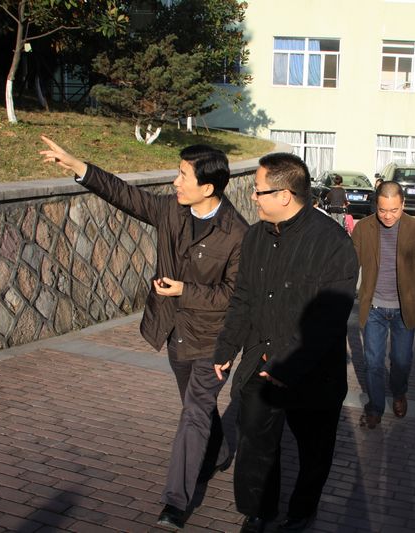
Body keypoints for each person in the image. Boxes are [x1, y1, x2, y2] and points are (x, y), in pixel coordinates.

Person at [39, 136, 248, 530]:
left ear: (207, 187)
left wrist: (185, 290)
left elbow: (233, 295)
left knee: (193, 414)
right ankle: (217, 452)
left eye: (183, 175)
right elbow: (125, 195)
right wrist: (78, 166)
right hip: (174, 330)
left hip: (212, 339)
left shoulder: (237, 233)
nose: (175, 182)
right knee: (196, 406)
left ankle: (175, 502)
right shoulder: (170, 210)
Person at [212, 153, 358, 533]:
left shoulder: (333, 244)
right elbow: (243, 298)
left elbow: (327, 321)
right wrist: (227, 346)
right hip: (260, 362)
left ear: (284, 195)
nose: (252, 197)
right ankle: (259, 511)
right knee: (255, 442)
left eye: (258, 190)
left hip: (312, 373)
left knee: (314, 451)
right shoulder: (255, 237)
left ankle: (301, 512)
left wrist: (287, 365)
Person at [352, 181, 415, 430]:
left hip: (405, 307)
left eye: (394, 210)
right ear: (376, 205)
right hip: (374, 308)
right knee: (373, 362)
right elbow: (350, 266)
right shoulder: (363, 227)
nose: (388, 216)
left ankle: (399, 392)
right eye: (383, 210)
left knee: (401, 361)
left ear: (403, 204)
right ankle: (375, 407)